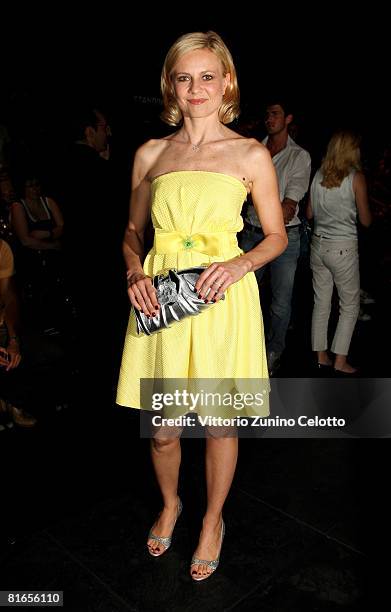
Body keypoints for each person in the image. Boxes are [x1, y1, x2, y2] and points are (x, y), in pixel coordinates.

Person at [116, 31, 287, 581]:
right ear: (171, 84)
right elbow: (131, 232)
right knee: (163, 427)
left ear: (226, 83)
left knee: (216, 424)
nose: (196, 88)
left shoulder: (250, 152)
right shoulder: (150, 153)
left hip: (219, 298)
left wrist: (239, 265)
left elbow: (277, 236)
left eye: (207, 76)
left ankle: (212, 519)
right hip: (161, 301)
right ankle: (172, 503)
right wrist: (133, 272)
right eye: (184, 77)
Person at [240, 99, 311, 375]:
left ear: (288, 118)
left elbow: (286, 210)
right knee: (244, 297)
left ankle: (273, 351)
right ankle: (247, 350)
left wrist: (251, 198)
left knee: (280, 302)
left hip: (285, 238)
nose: (269, 119)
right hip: (250, 232)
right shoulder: (253, 149)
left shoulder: (298, 157)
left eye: (275, 114)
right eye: (266, 114)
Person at [307, 130, 372, 374]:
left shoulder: (319, 175)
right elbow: (365, 220)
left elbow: (309, 214)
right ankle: (340, 361)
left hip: (318, 245)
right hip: (343, 247)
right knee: (349, 305)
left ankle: (321, 355)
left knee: (321, 303)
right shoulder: (356, 178)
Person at [0, 238, 36, 427]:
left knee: (18, 355)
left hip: (2, 325)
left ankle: (12, 403)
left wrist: (13, 339)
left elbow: (9, 297)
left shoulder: (2, 248)